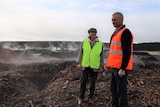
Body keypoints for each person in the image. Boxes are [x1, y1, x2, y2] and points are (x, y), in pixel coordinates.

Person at [104, 12, 134, 107]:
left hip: (120, 69)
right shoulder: (116, 33)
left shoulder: (125, 32)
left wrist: (123, 68)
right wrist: (108, 64)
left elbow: (126, 52)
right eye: (112, 20)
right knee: (114, 89)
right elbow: (113, 51)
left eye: (115, 20)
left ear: (121, 20)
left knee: (121, 91)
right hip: (114, 68)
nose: (113, 22)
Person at [77, 28, 104, 105]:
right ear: (89, 33)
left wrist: (101, 65)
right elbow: (81, 52)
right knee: (83, 81)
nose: (93, 34)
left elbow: (101, 55)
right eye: (91, 32)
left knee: (93, 82)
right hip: (85, 65)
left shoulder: (100, 43)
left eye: (94, 33)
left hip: (95, 65)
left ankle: (91, 97)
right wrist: (79, 62)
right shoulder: (85, 41)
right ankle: (81, 97)